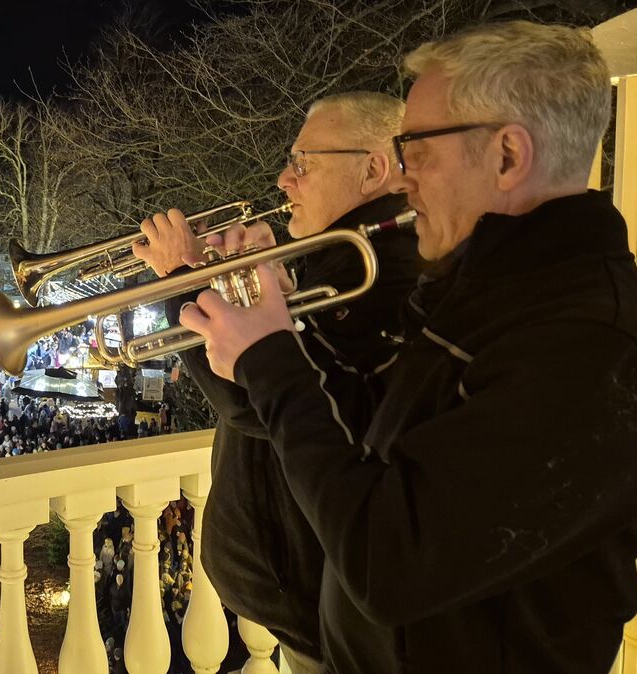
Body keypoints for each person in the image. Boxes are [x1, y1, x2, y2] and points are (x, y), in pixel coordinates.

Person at [179, 21, 637, 673]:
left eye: (416, 147)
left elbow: (387, 560)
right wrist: (256, 348)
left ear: (507, 156)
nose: (402, 174)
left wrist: (272, 359)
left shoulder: (594, 352)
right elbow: (378, 437)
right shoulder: (483, 291)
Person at [133, 91, 420, 670]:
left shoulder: (375, 271)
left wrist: (185, 279)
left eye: (304, 163)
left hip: (321, 607)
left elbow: (254, 402)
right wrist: (259, 285)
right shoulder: (342, 260)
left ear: (373, 169)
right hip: (309, 594)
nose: (285, 179)